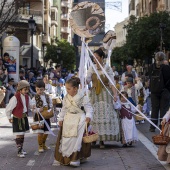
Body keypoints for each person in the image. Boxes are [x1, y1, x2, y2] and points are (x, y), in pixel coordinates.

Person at [53, 77, 93, 167]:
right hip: (68, 119)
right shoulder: (66, 97)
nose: (67, 90)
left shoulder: (83, 97)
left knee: (77, 139)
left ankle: (75, 157)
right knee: (66, 138)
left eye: (68, 89)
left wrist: (88, 116)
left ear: (75, 88)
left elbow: (89, 108)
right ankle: (65, 157)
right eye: (66, 88)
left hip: (79, 119)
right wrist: (61, 119)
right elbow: (64, 109)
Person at [86, 48, 120, 148]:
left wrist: (115, 95)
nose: (95, 59)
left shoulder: (107, 68)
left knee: (104, 115)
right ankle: (93, 137)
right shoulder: (92, 68)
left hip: (105, 95)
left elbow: (111, 82)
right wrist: (82, 81)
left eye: (97, 57)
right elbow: (87, 80)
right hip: (94, 95)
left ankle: (102, 140)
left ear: (101, 58)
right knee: (94, 115)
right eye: (93, 57)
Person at [5, 80, 34, 158]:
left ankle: (21, 148)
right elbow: (8, 108)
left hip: (24, 117)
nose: (26, 91)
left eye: (27, 89)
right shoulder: (15, 98)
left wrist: (34, 107)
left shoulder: (27, 97)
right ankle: (19, 150)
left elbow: (31, 105)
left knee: (22, 134)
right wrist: (9, 117)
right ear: (20, 89)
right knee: (19, 134)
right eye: (25, 89)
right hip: (17, 118)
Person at [149, 52, 170, 132]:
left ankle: (152, 126)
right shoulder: (166, 67)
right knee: (163, 109)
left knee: (154, 109)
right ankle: (162, 126)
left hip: (154, 91)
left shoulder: (152, 67)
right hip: (165, 91)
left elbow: (150, 77)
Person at [32, 80, 53, 153]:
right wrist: (38, 109)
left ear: (44, 89)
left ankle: (44, 144)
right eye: (38, 89)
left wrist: (49, 109)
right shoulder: (35, 98)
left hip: (46, 116)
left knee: (47, 131)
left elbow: (51, 105)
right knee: (40, 131)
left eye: (41, 89)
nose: (39, 91)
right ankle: (40, 145)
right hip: (38, 116)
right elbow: (32, 108)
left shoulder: (47, 97)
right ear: (35, 89)